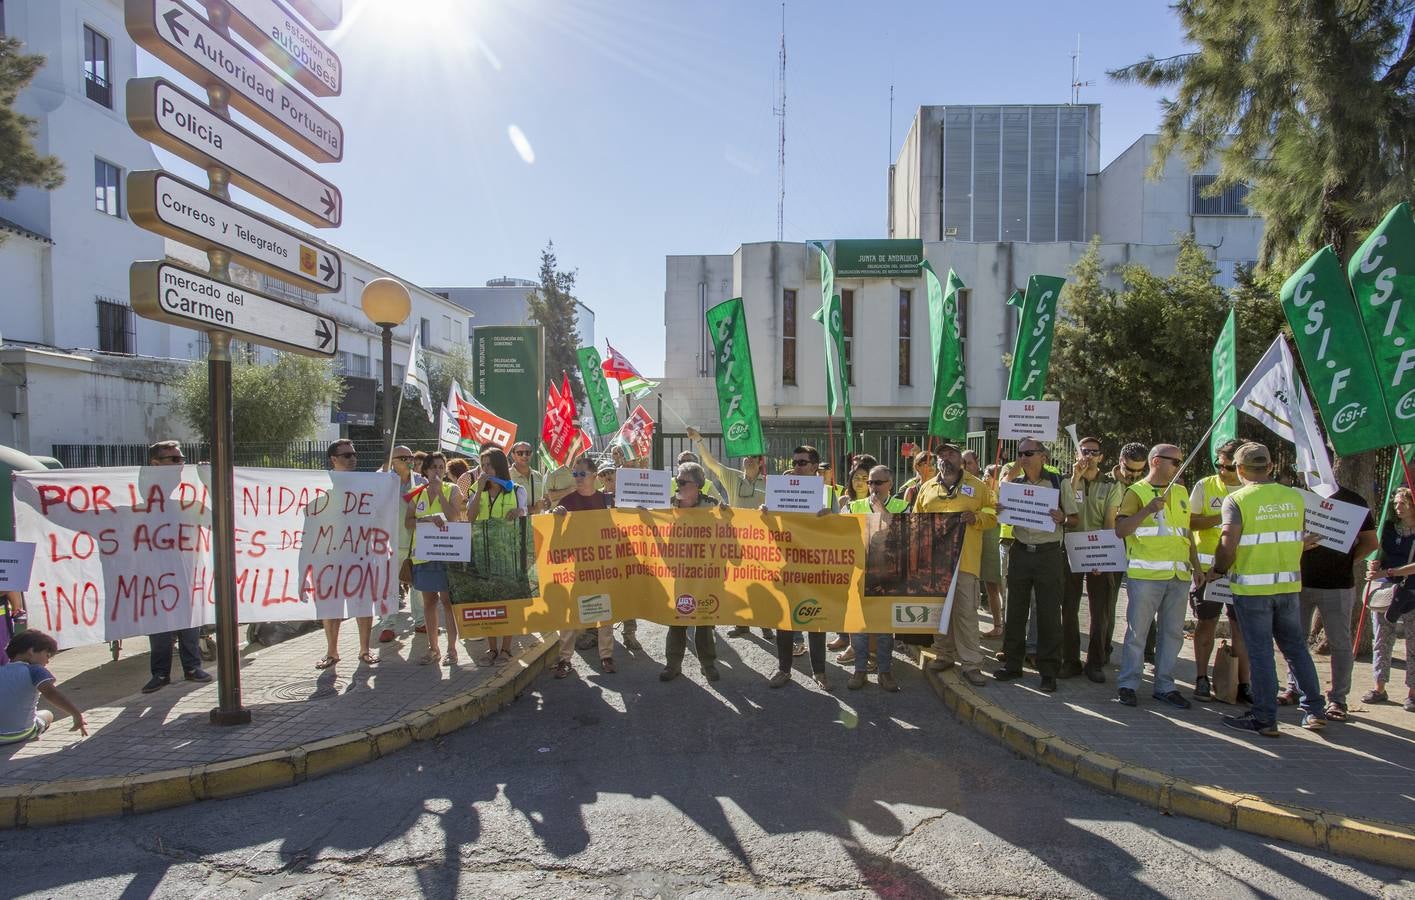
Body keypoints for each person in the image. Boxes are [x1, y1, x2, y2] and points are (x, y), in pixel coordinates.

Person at [1211, 442, 1327, 735]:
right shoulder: (1294, 498)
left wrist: (1218, 570)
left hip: (1252, 591)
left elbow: (1228, 544)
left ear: (1239, 469)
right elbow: (1295, 538)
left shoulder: (1237, 500)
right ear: (1270, 466)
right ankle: (1314, 710)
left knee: (1261, 652)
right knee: (1296, 649)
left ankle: (1264, 717)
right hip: (1288, 586)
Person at [1279, 463, 1379, 720]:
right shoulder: (1297, 498)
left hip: (1338, 585)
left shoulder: (1353, 501)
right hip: (1298, 582)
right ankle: (1294, 688)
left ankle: (1337, 699)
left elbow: (1370, 542)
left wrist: (1348, 561)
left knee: (1340, 644)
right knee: (1294, 639)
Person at [1112, 443, 1199, 709]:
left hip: (1178, 575)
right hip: (1147, 576)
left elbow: (1186, 534)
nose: (1179, 467)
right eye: (1175, 461)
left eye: (1181, 462)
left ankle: (1165, 685)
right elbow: (1121, 530)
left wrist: (1197, 567)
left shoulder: (1182, 491)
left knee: (1172, 634)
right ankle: (1128, 684)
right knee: (1137, 633)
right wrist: (1147, 510)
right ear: (1156, 462)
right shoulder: (1136, 492)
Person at [993, 438, 1077, 692]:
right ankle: (1012, 664)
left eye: (1028, 453)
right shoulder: (1014, 484)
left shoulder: (1057, 482)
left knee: (1049, 613)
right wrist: (1000, 507)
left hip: (1048, 554)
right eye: (1019, 453)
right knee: (1015, 610)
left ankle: (1049, 670)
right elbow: (999, 506)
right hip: (1020, 551)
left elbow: (1074, 519)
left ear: (1043, 456)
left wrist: (1063, 518)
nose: (1023, 457)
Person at [914, 446, 997, 688]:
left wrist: (976, 518)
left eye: (950, 455)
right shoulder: (927, 487)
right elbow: (917, 520)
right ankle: (944, 655)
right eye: (941, 456)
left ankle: (972, 664)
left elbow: (992, 515)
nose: (944, 459)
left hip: (966, 561)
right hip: (936, 562)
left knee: (966, 613)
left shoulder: (979, 486)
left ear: (961, 459)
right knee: (940, 612)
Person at [141, 440, 213, 692]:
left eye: (181, 459)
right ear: (155, 464)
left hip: (186, 571)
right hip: (154, 575)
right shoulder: (142, 495)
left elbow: (216, 518)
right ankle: (160, 673)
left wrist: (209, 481)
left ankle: (192, 667)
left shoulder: (189, 495)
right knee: (160, 626)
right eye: (173, 459)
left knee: (190, 623)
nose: (180, 464)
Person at [1188, 439, 1253, 702]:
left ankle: (1243, 684)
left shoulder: (1253, 491)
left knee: (1241, 630)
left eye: (1227, 467)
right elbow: (1190, 522)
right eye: (1218, 465)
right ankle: (1202, 678)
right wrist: (1226, 516)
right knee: (1206, 625)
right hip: (1208, 572)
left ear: (1240, 467)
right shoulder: (1205, 485)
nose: (1221, 471)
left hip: (1241, 572)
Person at [312, 440, 378, 670]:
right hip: (329, 557)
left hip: (360, 555)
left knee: (363, 603)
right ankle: (332, 652)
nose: (353, 459)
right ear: (333, 459)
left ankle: (365, 650)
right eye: (347, 455)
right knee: (331, 606)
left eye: (354, 455)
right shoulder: (320, 484)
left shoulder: (365, 484)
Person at [551, 454, 617, 677]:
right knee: (570, 614)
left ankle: (606, 655)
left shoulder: (607, 501)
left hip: (602, 566)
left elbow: (623, 529)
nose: (578, 478)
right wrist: (556, 518)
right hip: (577, 568)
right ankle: (564, 659)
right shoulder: (567, 503)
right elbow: (557, 538)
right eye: (575, 474)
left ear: (595, 476)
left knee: (605, 612)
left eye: (582, 474)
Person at [1063, 437, 1122, 683]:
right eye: (1083, 451)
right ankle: (1070, 660)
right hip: (1070, 550)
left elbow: (1109, 523)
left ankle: (1095, 662)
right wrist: (1076, 477)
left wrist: (1103, 557)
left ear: (1101, 457)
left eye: (1093, 452)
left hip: (1098, 551)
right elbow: (1067, 510)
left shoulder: (1111, 485)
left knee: (1100, 610)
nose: (1088, 455)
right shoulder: (1068, 481)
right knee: (1068, 608)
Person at [660, 463, 722, 683]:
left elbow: (728, 530)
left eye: (683, 481)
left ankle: (708, 664)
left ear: (697, 486)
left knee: (704, 620)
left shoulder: (712, 505)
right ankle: (673, 664)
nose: (677, 484)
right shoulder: (668, 506)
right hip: (679, 571)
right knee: (677, 618)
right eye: (677, 480)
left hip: (705, 573)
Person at [467, 447, 528, 663]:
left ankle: (506, 648)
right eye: (482, 466)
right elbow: (471, 517)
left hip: (507, 554)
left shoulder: (517, 489)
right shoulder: (476, 490)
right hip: (484, 554)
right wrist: (480, 489)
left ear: (499, 466)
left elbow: (523, 514)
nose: (485, 470)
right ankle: (492, 648)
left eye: (489, 465)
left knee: (508, 603)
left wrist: (519, 512)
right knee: (488, 603)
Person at [410, 451, 467, 667]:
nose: (438, 471)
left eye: (442, 467)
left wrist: (439, 494)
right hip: (424, 555)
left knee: (447, 602)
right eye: (434, 467)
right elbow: (408, 521)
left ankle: (451, 650)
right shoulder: (417, 493)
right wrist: (426, 519)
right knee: (429, 603)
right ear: (425, 470)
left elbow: (453, 516)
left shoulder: (451, 489)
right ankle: (433, 649)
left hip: (446, 553)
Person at [1363, 485, 1415, 712]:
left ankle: (1412, 692)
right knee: (1381, 639)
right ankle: (1379, 687)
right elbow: (1378, 553)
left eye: (1403, 502)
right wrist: (1374, 566)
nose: (1398, 507)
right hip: (1387, 591)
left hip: (1412, 592)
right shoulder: (1389, 529)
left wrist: (1390, 572)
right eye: (1395, 503)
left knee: (1413, 644)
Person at [378, 445, 427, 644]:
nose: (409, 460)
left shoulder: (421, 481)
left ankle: (421, 621)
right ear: (393, 460)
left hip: (417, 540)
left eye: (410, 457)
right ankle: (387, 625)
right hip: (390, 541)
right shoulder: (383, 481)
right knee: (389, 585)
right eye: (403, 457)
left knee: (419, 586)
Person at [1, 631, 86, 744]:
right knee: (47, 714)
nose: (47, 661)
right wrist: (76, 715)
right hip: (21, 733)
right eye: (47, 655)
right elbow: (51, 693)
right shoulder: (35, 670)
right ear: (31, 651)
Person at [508, 442, 546, 510]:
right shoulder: (507, 476)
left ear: (531, 454)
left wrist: (547, 503)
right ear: (513, 455)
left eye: (527, 453)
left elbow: (546, 498)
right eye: (520, 453)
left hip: (538, 519)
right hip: (516, 520)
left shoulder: (538, 475)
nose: (524, 456)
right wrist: (534, 509)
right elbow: (507, 506)